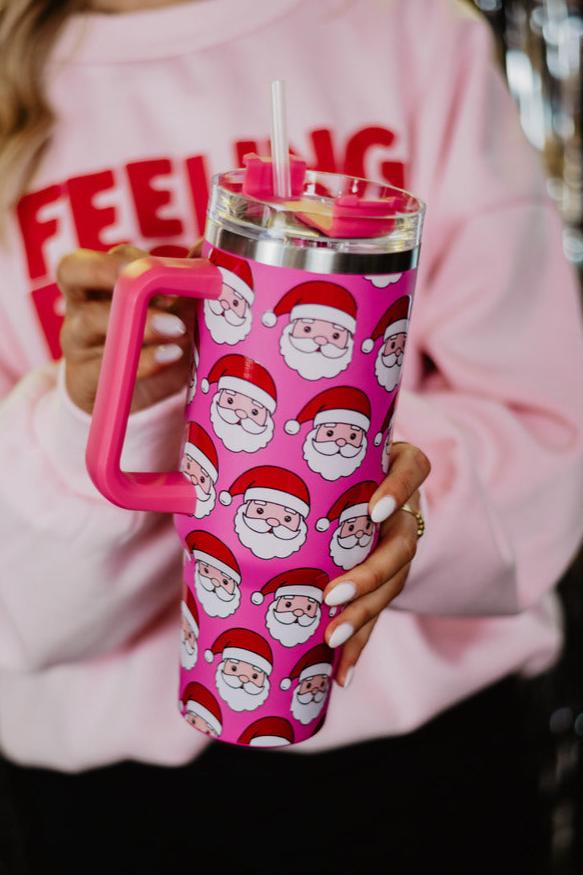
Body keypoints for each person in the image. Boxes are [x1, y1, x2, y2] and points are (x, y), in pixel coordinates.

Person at [0, 0, 582, 872]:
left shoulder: (414, 31)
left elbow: (546, 439)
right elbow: (22, 609)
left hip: (422, 770)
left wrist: (376, 500)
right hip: (99, 803)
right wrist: (111, 409)